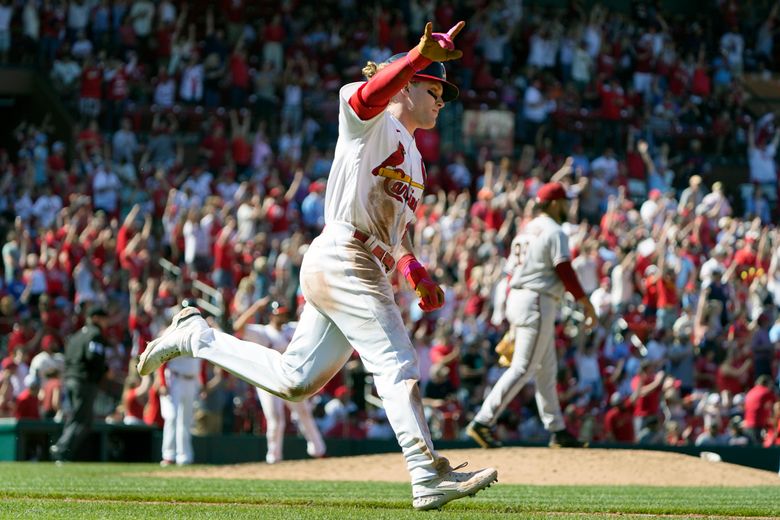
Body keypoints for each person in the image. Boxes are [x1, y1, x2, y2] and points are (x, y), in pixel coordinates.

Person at [138, 21, 497, 510]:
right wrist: (416, 56)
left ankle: (195, 336)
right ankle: (425, 472)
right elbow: (367, 97)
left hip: (360, 260)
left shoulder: (416, 156)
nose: (441, 99)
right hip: (345, 253)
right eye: (434, 88)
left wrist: (412, 265)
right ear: (407, 85)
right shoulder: (369, 119)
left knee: (294, 380)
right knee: (395, 361)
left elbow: (397, 226)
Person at [466, 181, 597, 449]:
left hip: (521, 297)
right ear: (552, 204)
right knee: (523, 368)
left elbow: (512, 272)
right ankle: (482, 421)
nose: (567, 206)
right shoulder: (554, 231)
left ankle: (558, 430)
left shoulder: (525, 231)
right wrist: (586, 303)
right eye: (564, 201)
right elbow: (564, 269)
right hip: (537, 300)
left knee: (546, 369)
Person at [233, 298, 326, 464]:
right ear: (271, 315)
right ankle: (273, 457)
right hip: (268, 380)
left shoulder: (290, 328)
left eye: (283, 313)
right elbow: (237, 327)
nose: (281, 317)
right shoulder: (262, 332)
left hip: (290, 378)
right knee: (275, 418)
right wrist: (255, 307)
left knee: (304, 412)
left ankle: (318, 450)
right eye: (278, 314)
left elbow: (313, 328)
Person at [50, 306, 110, 462]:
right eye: (103, 318)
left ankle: (63, 450)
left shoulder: (75, 336)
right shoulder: (95, 334)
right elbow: (94, 357)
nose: (106, 322)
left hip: (70, 379)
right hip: (84, 381)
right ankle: (61, 449)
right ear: (95, 318)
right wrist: (104, 370)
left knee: (75, 418)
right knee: (83, 421)